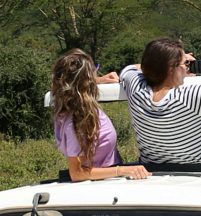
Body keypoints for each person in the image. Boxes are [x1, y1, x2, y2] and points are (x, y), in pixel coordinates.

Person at [119, 38, 201, 166]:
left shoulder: (136, 88)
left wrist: (170, 65)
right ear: (170, 69)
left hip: (152, 171)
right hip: (195, 172)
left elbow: (129, 69)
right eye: (185, 64)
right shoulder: (192, 96)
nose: (188, 68)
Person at [50, 50, 150, 182]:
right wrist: (121, 170)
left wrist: (100, 80)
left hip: (107, 179)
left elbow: (67, 83)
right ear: (86, 81)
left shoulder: (72, 104)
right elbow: (77, 172)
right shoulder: (76, 121)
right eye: (95, 69)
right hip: (101, 184)